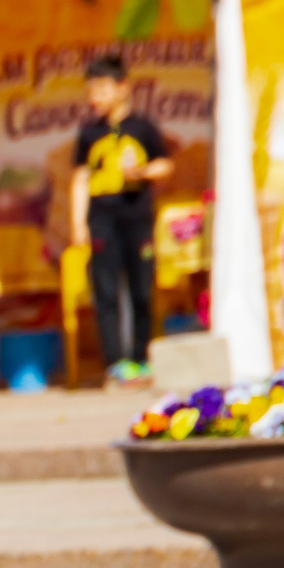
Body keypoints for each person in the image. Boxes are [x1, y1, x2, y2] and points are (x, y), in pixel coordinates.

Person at [69, 55, 174, 383]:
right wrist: (77, 224)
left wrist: (143, 172)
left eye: (101, 88)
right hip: (102, 219)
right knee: (105, 290)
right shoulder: (88, 133)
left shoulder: (142, 128)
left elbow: (166, 165)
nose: (94, 97)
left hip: (137, 217)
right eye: (90, 90)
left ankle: (142, 358)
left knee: (142, 288)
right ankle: (115, 364)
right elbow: (80, 179)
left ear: (122, 87)